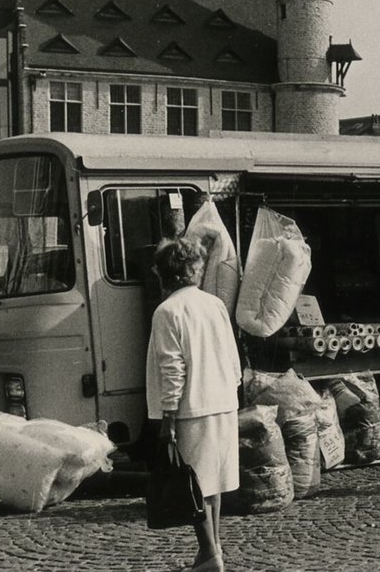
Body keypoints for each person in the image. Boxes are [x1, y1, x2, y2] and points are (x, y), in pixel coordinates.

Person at [147, 238, 242, 572]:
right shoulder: (214, 304)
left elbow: (173, 369)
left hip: (191, 409)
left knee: (194, 485)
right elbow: (233, 358)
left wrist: (168, 418)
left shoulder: (167, 311)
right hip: (222, 402)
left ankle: (210, 556)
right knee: (211, 482)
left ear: (163, 273)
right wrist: (231, 392)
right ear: (195, 270)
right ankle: (211, 553)